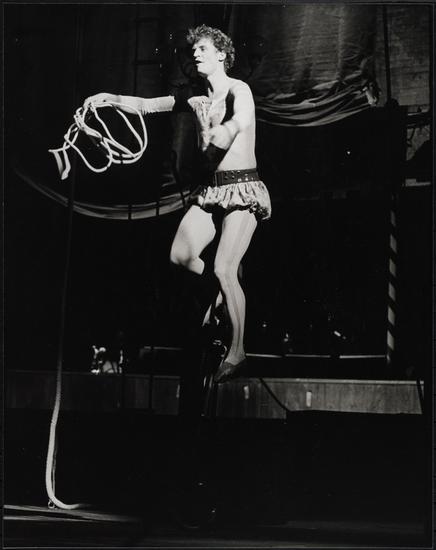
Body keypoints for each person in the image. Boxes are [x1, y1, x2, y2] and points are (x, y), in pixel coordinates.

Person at [84, 24, 271, 383]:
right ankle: (222, 291)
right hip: (213, 190)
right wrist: (108, 98)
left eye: (203, 49)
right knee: (180, 256)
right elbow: (148, 105)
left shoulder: (239, 89)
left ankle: (238, 352)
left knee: (224, 268)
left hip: (242, 190)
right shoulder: (194, 95)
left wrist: (221, 131)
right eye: (193, 50)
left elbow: (241, 120)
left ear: (221, 54)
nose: (195, 55)